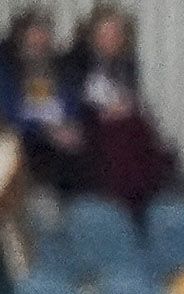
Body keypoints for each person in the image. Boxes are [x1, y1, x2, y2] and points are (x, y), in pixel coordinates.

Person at [63, 4, 172, 217]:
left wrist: (122, 106)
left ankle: (140, 194)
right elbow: (74, 98)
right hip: (88, 121)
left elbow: (130, 96)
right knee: (123, 131)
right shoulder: (77, 61)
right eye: (104, 34)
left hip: (120, 119)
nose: (110, 39)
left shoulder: (127, 63)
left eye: (115, 34)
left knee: (136, 127)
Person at [2, 11, 84, 196]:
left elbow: (73, 105)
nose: (39, 44)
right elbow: (9, 116)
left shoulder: (62, 70)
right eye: (33, 38)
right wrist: (45, 130)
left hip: (62, 140)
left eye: (43, 38)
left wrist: (71, 126)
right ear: (20, 40)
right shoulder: (7, 74)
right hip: (26, 141)